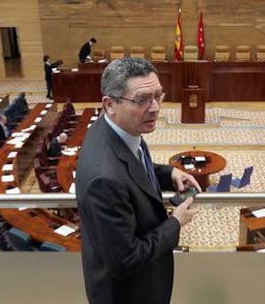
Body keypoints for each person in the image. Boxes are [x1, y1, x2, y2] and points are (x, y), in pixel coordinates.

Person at [76, 57, 200, 304]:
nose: (155, 107)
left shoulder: (117, 129)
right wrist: (175, 222)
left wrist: (168, 173)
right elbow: (126, 259)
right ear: (110, 104)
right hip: (128, 295)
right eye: (142, 100)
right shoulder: (104, 179)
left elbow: (131, 165)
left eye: (158, 95)